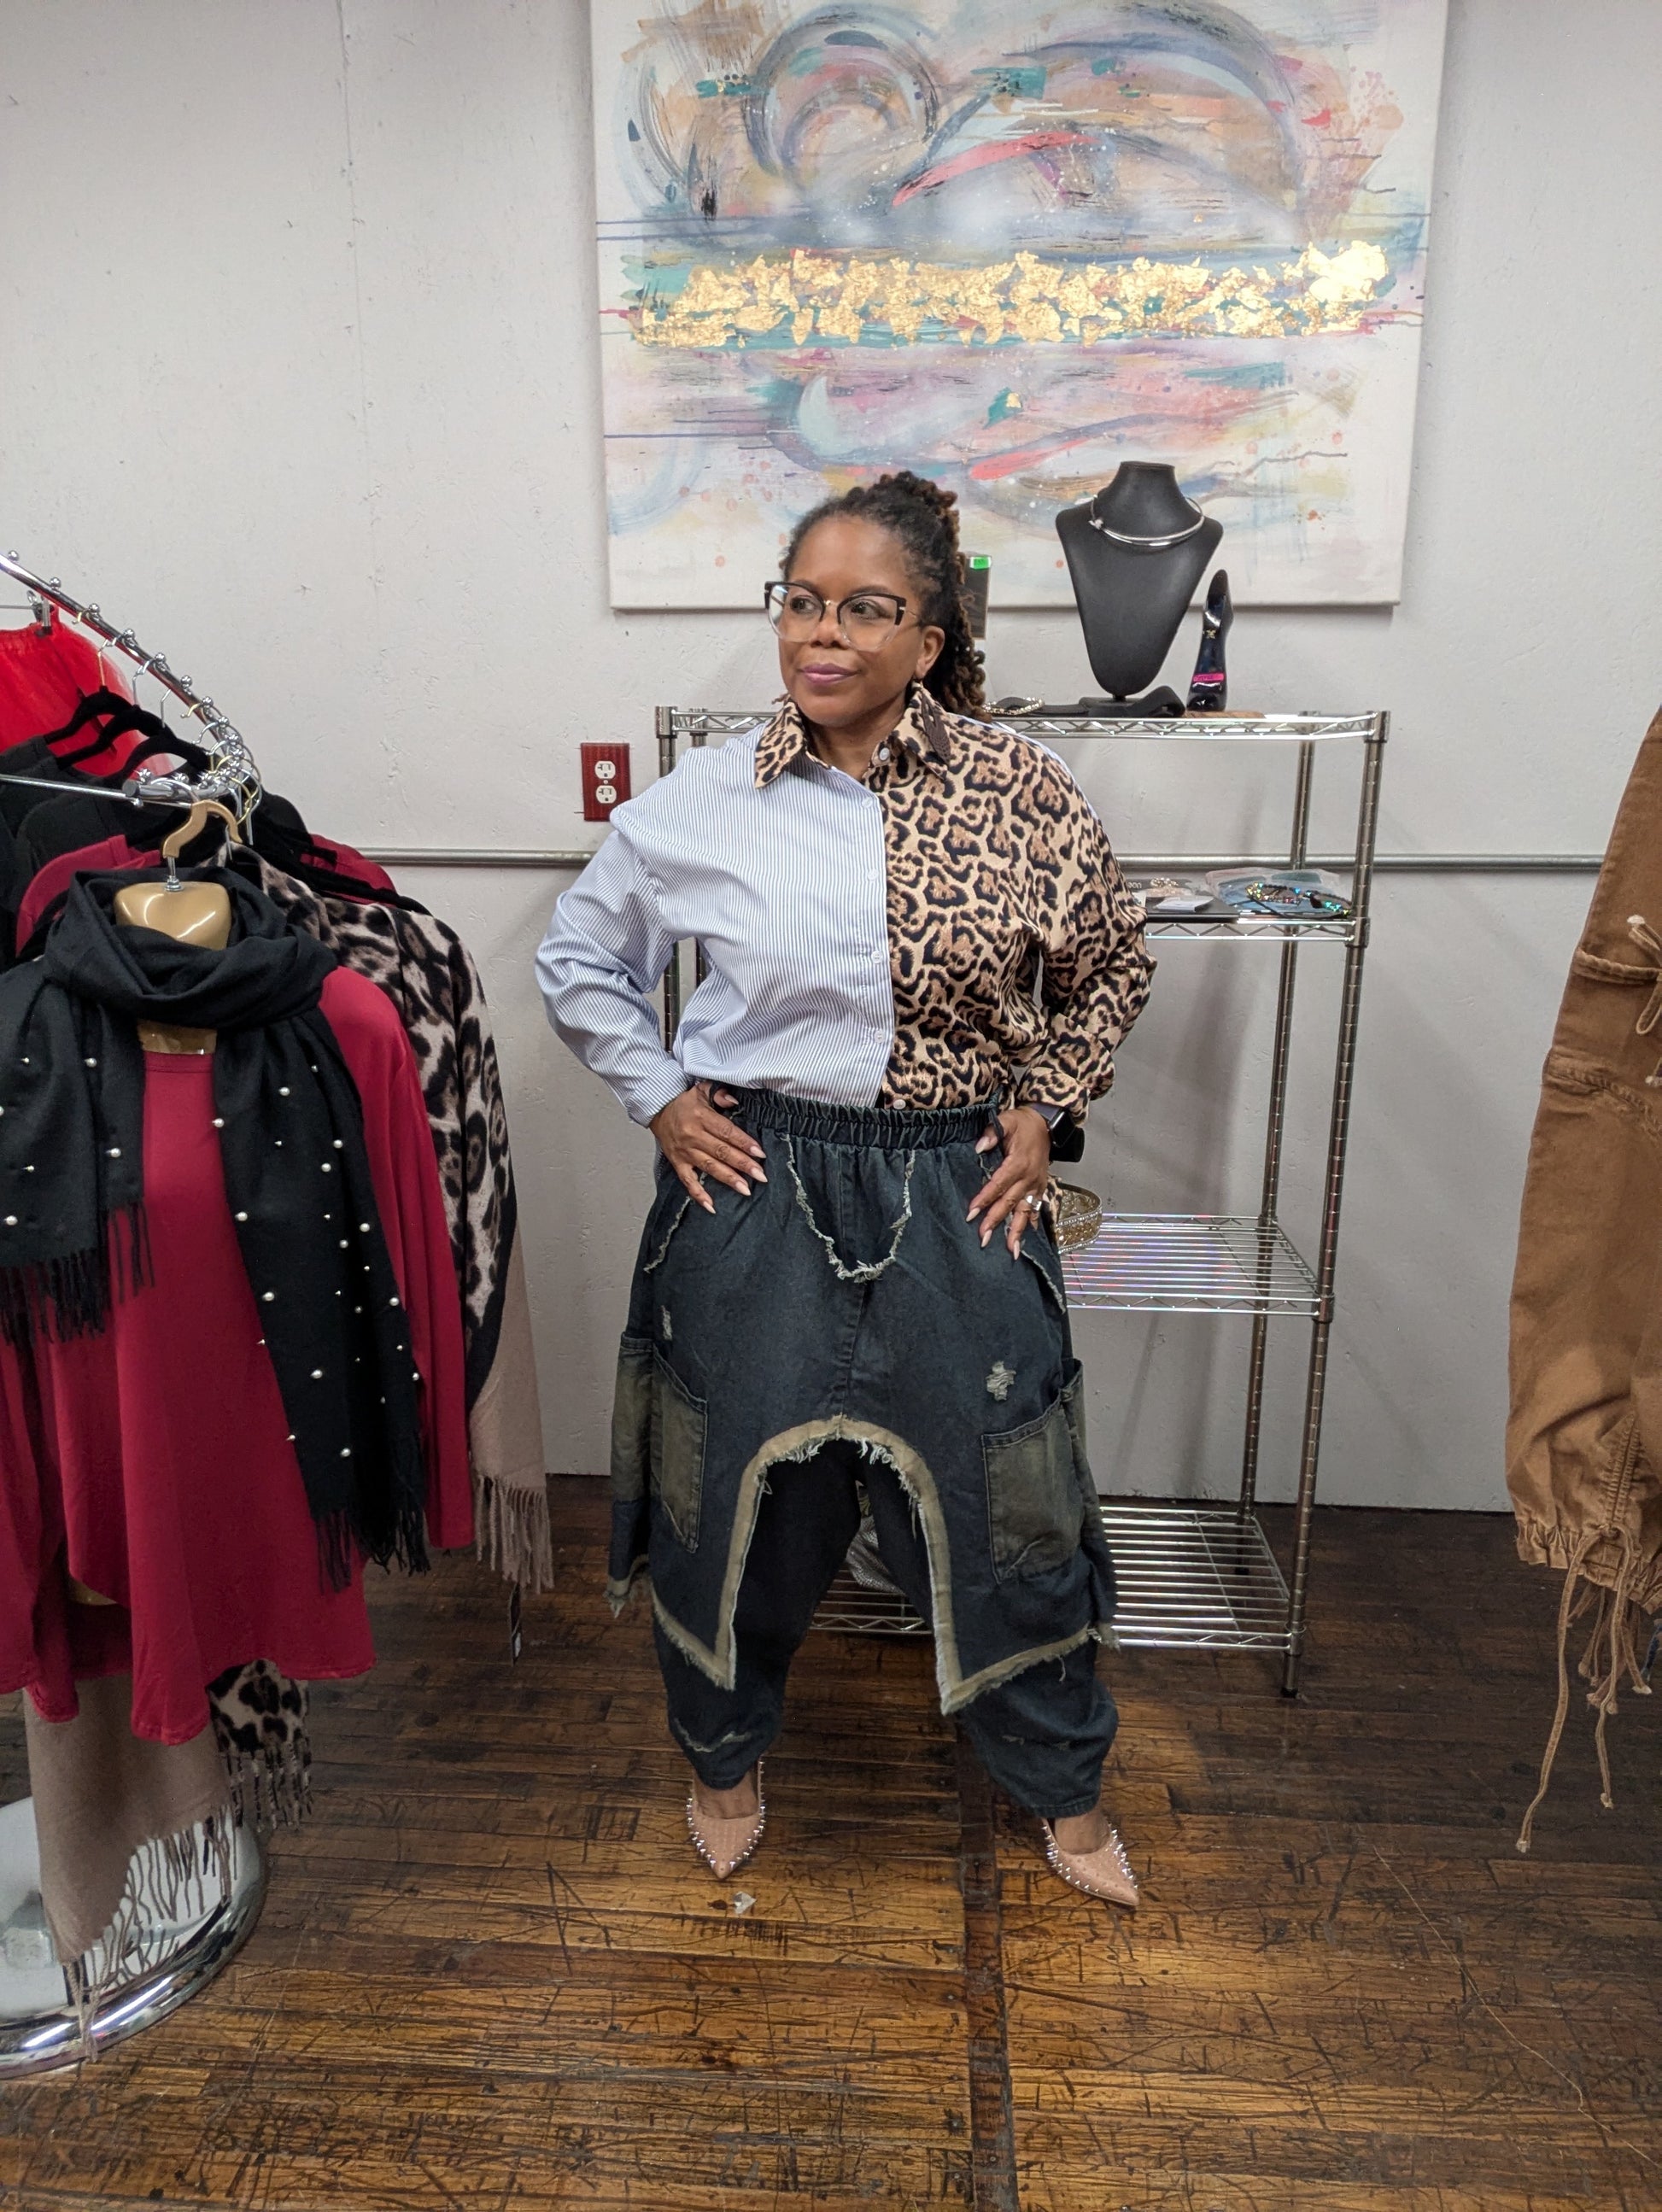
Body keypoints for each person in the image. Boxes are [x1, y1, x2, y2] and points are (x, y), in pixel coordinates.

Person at [536, 471, 1152, 1905]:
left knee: (1008, 1497)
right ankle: (722, 1760)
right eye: (802, 602)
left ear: (926, 639)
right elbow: (580, 958)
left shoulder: (1019, 789)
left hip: (954, 1182)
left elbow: (1111, 963)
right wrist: (662, 1096)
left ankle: (1062, 1792)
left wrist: (1041, 1105)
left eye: (865, 608)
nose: (823, 633)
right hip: (759, 1181)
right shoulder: (708, 798)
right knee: (739, 1502)